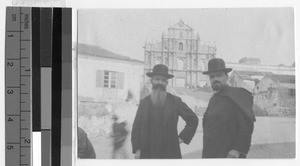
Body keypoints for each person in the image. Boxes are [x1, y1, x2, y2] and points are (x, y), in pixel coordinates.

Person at [131, 64, 199, 159]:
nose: (160, 82)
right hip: (147, 152)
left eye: (163, 80)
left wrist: (181, 138)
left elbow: (193, 119)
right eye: (157, 79)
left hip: (169, 152)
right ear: (152, 81)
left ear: (166, 83)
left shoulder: (175, 101)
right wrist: (137, 149)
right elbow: (136, 127)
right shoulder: (144, 103)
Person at [201, 58, 256, 158]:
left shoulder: (236, 95)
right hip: (211, 153)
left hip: (229, 154)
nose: (215, 79)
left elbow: (247, 125)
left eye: (219, 75)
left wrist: (237, 150)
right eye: (212, 77)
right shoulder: (213, 99)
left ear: (226, 77)